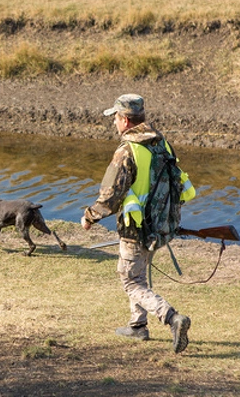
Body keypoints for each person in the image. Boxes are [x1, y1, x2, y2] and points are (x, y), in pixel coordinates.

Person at [81, 93, 194, 354]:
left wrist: (89, 217)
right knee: (138, 274)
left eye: (116, 119)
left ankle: (171, 317)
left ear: (125, 120)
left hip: (136, 227)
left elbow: (110, 196)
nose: (114, 124)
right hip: (160, 225)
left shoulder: (126, 151)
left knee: (131, 281)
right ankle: (137, 326)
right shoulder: (161, 144)